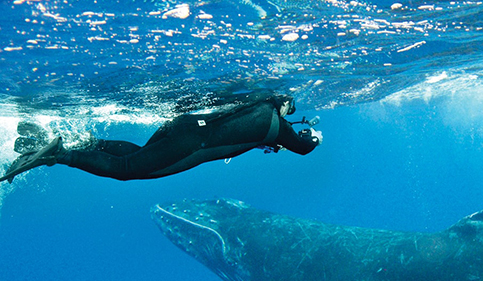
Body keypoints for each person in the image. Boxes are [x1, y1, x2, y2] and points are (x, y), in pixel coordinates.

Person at [0, 94, 322, 183]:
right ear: (284, 106)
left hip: (183, 126)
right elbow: (304, 147)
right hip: (192, 146)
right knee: (126, 170)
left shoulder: (254, 102)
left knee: (139, 153)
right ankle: (59, 154)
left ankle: (87, 143)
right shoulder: (278, 126)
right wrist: (316, 137)